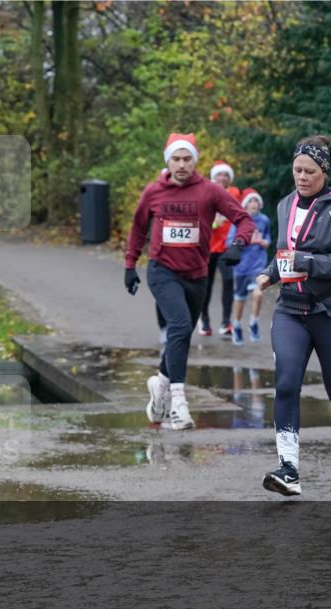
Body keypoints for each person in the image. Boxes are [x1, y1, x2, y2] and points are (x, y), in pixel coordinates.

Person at [256, 135, 331, 496]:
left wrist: (310, 262)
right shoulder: (285, 205)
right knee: (286, 383)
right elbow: (285, 253)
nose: (302, 177)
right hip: (291, 310)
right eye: (297, 170)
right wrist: (269, 273)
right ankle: (288, 469)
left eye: (310, 171)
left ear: (324, 172)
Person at [125, 133, 254, 430]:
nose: (181, 165)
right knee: (181, 325)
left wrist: (238, 244)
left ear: (195, 161)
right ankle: (179, 404)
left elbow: (244, 219)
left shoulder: (210, 191)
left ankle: (160, 384)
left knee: (181, 334)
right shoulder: (154, 192)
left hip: (197, 274)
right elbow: (138, 228)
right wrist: (130, 265)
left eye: (187, 159)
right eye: (176, 159)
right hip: (162, 271)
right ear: (167, 161)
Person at [199, 160, 241, 336]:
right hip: (208, 245)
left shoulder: (234, 193)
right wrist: (214, 223)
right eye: (219, 175)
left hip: (226, 246)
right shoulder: (205, 191)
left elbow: (241, 216)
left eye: (226, 175)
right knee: (205, 283)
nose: (222, 178)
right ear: (213, 177)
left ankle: (225, 322)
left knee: (229, 280)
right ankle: (204, 321)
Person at [226, 188, 271, 345]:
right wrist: (245, 241)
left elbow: (268, 239)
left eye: (256, 201)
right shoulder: (239, 220)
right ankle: (237, 326)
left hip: (258, 264)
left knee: (258, 293)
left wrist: (265, 242)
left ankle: (253, 323)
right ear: (245, 205)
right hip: (241, 266)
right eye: (250, 201)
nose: (254, 204)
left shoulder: (264, 220)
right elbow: (229, 242)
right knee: (240, 299)